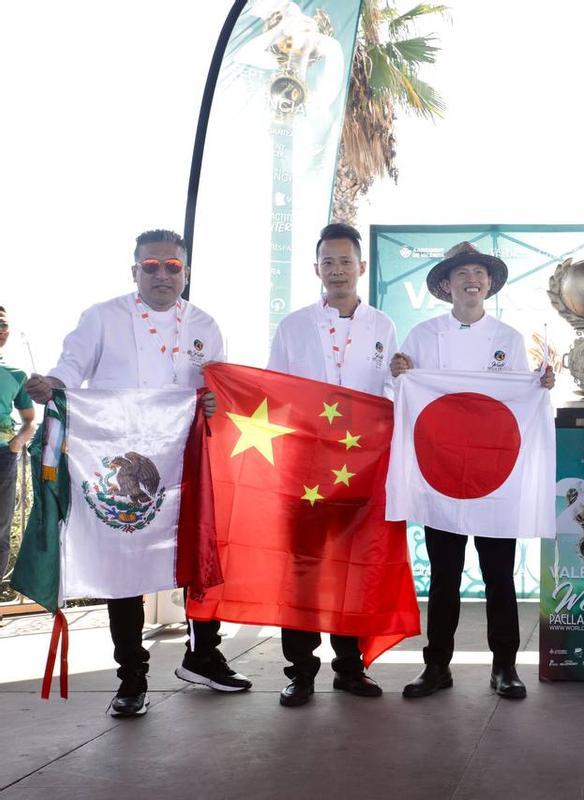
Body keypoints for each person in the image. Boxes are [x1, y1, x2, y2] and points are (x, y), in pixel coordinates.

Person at [24, 229, 251, 717]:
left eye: (173, 266)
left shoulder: (205, 325)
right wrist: (52, 386)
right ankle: (131, 677)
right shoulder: (102, 317)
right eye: (151, 266)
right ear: (135, 272)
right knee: (123, 566)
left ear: (186, 273)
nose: (162, 274)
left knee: (196, 555)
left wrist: (216, 401)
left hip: (183, 461)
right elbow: (69, 369)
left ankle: (203, 656)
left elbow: (217, 386)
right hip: (116, 463)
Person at [395, 241, 554, 701]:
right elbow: (403, 393)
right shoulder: (422, 336)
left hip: (492, 476)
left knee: (498, 577)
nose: (471, 279)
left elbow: (517, 400)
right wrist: (399, 371)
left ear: (488, 283)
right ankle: (437, 666)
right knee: (444, 578)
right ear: (446, 285)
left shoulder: (508, 338)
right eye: (462, 273)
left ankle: (504, 666)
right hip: (441, 475)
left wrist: (540, 384)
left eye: (479, 273)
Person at [267, 222, 399, 707]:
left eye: (346, 261)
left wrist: (401, 382)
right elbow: (275, 394)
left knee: (351, 567)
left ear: (361, 267)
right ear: (316, 268)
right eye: (328, 262)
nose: (337, 270)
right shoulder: (293, 326)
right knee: (302, 569)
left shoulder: (382, 326)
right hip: (304, 465)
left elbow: (388, 395)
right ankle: (300, 670)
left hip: (361, 466)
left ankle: (350, 667)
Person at [0, 307, 35, 593]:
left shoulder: (16, 374)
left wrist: (15, 445)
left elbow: (29, 421)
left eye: (3, 324)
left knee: (0, 531)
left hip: (3, 458)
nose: (1, 329)